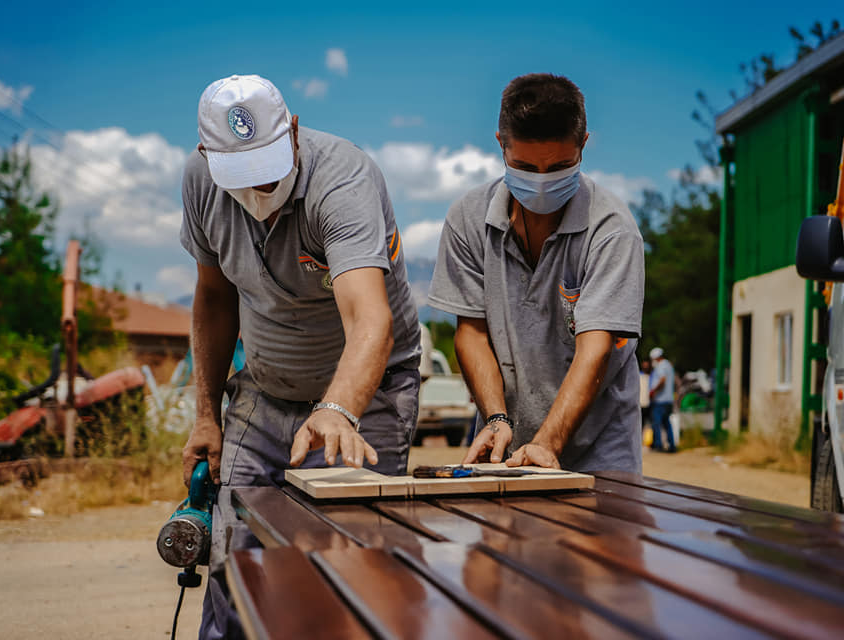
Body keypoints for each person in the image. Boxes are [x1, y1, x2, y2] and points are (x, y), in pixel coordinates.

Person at [179, 74, 421, 639]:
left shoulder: (344, 178)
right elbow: (214, 298)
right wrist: (206, 415)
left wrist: (339, 408)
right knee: (230, 559)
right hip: (263, 391)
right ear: (206, 155)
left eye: (268, 174)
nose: (259, 196)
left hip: (368, 396)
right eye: (242, 180)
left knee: (349, 565)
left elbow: (371, 319)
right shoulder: (198, 183)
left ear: (292, 131)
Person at [428, 73, 644, 472]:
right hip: (505, 445)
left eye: (560, 167)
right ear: (500, 145)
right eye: (525, 166)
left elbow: (595, 349)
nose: (542, 183)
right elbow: (472, 332)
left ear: (583, 144)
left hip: (599, 446)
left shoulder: (612, 229)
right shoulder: (468, 219)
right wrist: (496, 418)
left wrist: (546, 443)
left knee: (602, 533)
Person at [648, 347, 676, 453]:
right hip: (669, 399)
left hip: (660, 400)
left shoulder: (661, 366)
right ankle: (671, 445)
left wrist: (653, 391)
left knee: (657, 423)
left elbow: (662, 380)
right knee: (667, 423)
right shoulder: (669, 365)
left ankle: (658, 445)